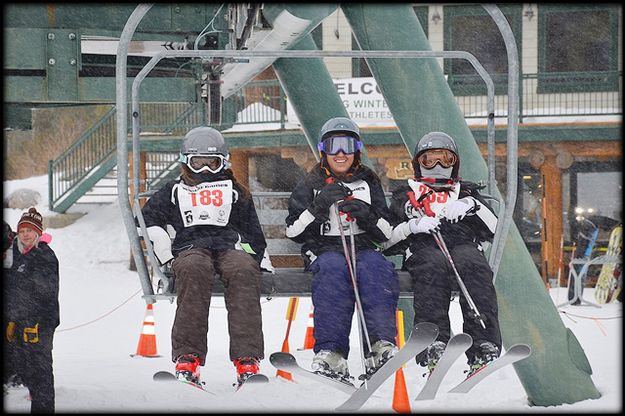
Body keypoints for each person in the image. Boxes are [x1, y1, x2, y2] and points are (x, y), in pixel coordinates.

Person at [139, 126, 273, 387]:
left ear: (222, 162)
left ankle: (247, 360)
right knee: (193, 269)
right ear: (186, 162)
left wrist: (260, 259)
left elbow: (252, 232)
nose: (204, 171)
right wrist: (165, 251)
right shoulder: (175, 190)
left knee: (243, 269)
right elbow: (145, 221)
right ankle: (187, 357)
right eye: (197, 163)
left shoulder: (235, 191)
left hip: (229, 245)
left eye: (211, 164)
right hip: (190, 247)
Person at [285, 116, 399, 383]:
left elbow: (387, 233)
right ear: (323, 150)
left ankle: (380, 345)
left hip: (362, 245)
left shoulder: (368, 180)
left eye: (346, 146)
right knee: (333, 270)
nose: (340, 153)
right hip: (325, 248)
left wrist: (367, 215)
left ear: (356, 150)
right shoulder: (311, 183)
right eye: (333, 145)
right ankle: (332, 352)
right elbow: (293, 232)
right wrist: (317, 208)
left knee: (376, 268)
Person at [383, 131, 501, 377]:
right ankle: (433, 340)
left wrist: (472, 206)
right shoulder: (406, 195)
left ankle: (483, 341)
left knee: (474, 265)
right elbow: (386, 241)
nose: (437, 166)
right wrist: (412, 226)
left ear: (454, 164)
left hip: (462, 246)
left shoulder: (466, 193)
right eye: (429, 160)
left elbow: (495, 229)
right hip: (424, 249)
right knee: (432, 266)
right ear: (419, 164)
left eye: (444, 160)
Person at [4, 208, 60, 413]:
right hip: (18, 323)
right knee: (24, 370)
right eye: (22, 230)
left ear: (37, 233)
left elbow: (46, 292)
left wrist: (35, 323)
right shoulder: (16, 254)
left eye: (29, 230)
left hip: (39, 326)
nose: (25, 234)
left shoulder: (44, 255)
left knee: (40, 375)